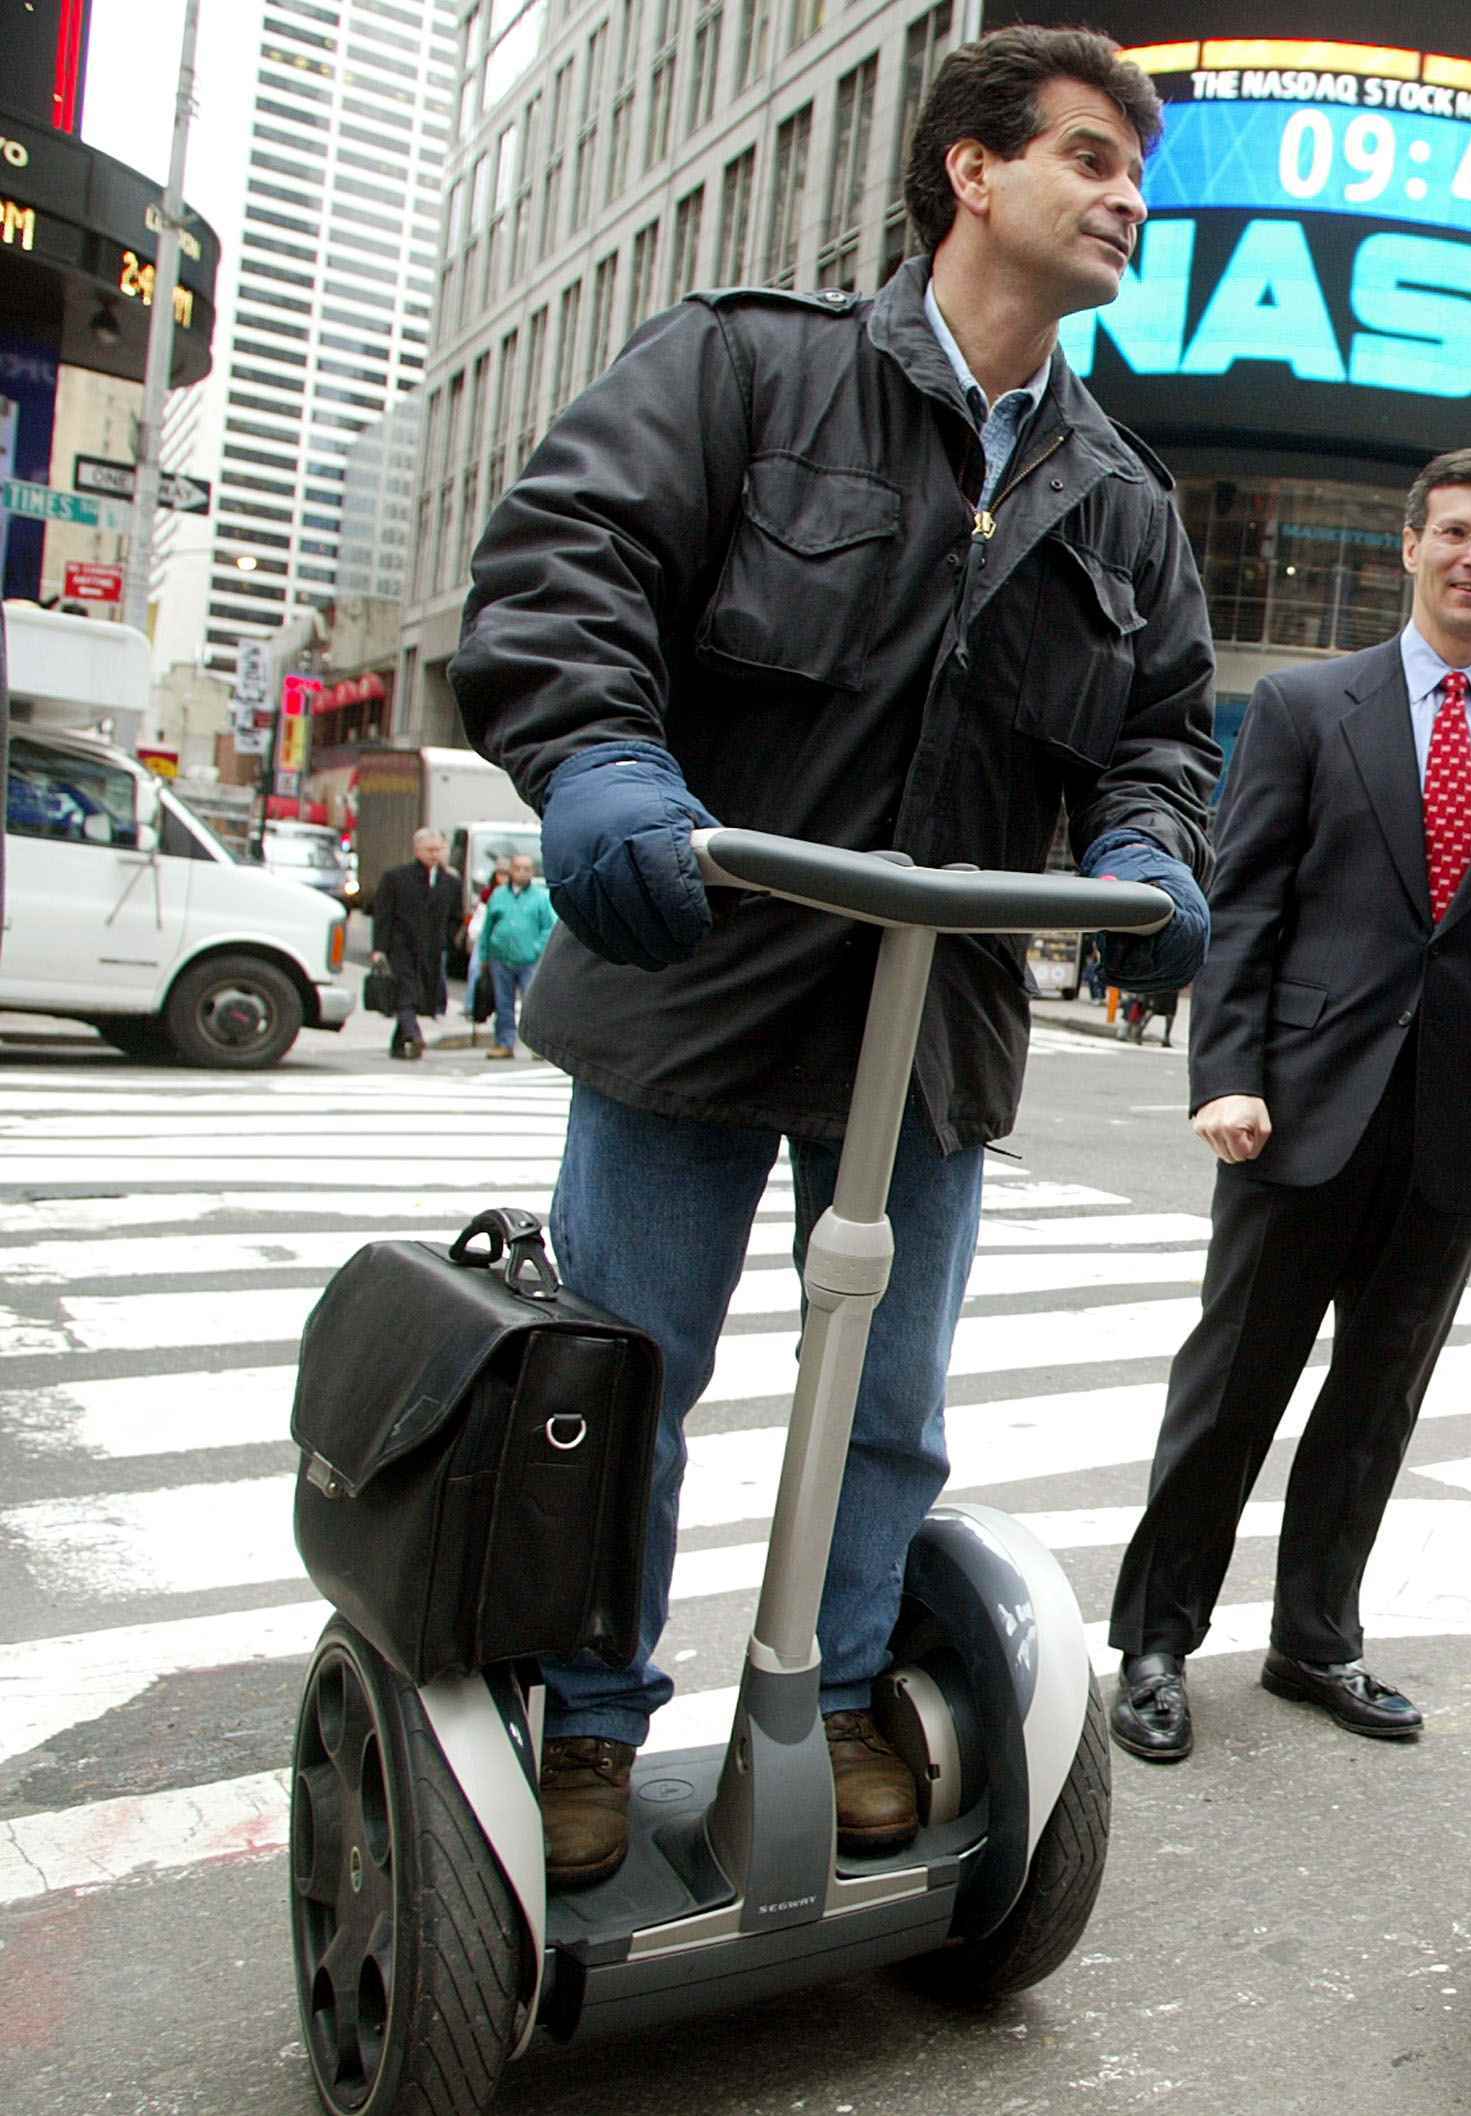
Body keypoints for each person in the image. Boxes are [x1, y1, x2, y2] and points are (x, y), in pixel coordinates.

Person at [455, 26, 1219, 1887]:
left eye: (1138, 171)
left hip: (933, 1008)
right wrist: (607, 762)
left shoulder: (1120, 495)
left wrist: (1144, 846)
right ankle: (588, 1721)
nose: (1129, 196)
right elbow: (568, 563)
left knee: (891, 1402)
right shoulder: (750, 367)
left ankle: (849, 1688)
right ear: (972, 172)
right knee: (625, 1374)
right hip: (696, 963)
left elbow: (1166, 728)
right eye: (1090, 159)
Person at [1104, 448, 1471, 1763]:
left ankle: (1315, 1639)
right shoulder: (1305, 708)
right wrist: (1226, 1076)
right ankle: (1158, 1642)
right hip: (1298, 1115)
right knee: (1233, 1392)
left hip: (1453, 1133)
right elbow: (1250, 903)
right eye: (1454, 532)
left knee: (1378, 1400)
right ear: (1409, 547)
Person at [366, 828, 462, 1061]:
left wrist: (447, 940)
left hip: (431, 949)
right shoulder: (396, 878)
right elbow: (383, 916)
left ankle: (398, 1044)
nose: (434, 855)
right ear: (417, 850)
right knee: (406, 991)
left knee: (421, 993)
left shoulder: (449, 882)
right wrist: (379, 949)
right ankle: (413, 1034)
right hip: (401, 946)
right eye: (429, 850)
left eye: (438, 850)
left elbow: (455, 916)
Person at [476, 852, 556, 1060]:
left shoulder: (540, 897)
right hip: (500, 958)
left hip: (529, 959)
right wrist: (484, 954)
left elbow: (549, 927)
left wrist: (537, 949)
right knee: (503, 1003)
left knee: (533, 1004)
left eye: (527, 868)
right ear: (510, 870)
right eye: (518, 868)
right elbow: (488, 927)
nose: (522, 872)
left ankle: (538, 1046)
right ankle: (504, 1042)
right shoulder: (499, 894)